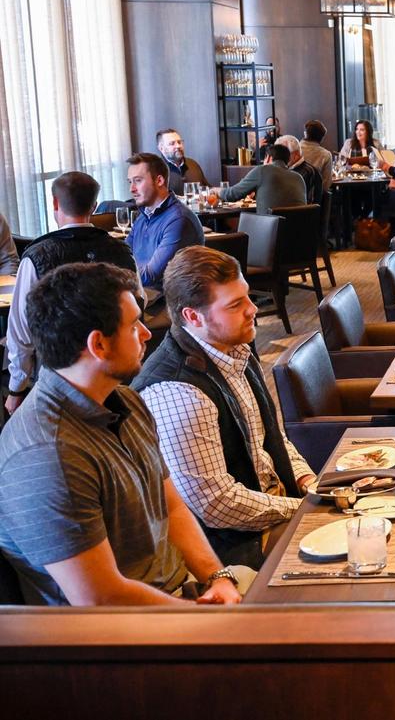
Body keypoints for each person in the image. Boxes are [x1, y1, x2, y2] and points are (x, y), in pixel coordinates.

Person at [0, 262, 246, 606]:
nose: (147, 334)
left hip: (177, 597)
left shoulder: (124, 399)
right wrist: (204, 619)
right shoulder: (48, 454)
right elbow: (100, 599)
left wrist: (217, 578)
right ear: (98, 345)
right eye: (134, 326)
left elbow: (171, 506)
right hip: (115, 640)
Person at [136, 247, 316, 569]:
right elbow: (216, 505)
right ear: (193, 316)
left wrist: (308, 483)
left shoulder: (235, 349)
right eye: (235, 305)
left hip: (271, 509)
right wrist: (303, 508)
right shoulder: (180, 392)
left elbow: (272, 438)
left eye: (247, 297)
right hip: (229, 549)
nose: (252, 310)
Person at [6, 172, 136, 415]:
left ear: (55, 203)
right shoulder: (121, 251)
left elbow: (21, 331)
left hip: (57, 376)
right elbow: (138, 303)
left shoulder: (37, 256)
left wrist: (16, 389)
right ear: (95, 207)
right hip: (114, 369)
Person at [127, 152, 204, 290]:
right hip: (144, 295)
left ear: (159, 181)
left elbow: (150, 277)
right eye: (130, 182)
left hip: (168, 303)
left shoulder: (179, 219)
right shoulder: (143, 215)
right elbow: (122, 256)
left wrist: (116, 275)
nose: (131, 189)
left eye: (138, 180)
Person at [219, 142, 306, 214]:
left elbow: (232, 195)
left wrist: (217, 191)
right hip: (299, 232)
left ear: (268, 158)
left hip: (269, 231)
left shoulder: (262, 170)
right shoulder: (299, 177)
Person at [157, 128, 207, 196]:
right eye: (172, 144)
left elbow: (206, 189)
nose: (178, 146)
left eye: (179, 142)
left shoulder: (193, 164)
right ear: (161, 148)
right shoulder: (156, 170)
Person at [276, 134, 321, 204]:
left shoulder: (308, 172)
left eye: (283, 154)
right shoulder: (285, 170)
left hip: (301, 213)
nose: (278, 159)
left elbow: (307, 204)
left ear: (296, 155)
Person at [300, 119, 334, 194]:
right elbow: (326, 184)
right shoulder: (326, 155)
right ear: (322, 138)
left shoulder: (294, 149)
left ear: (305, 133)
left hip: (293, 196)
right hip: (315, 202)